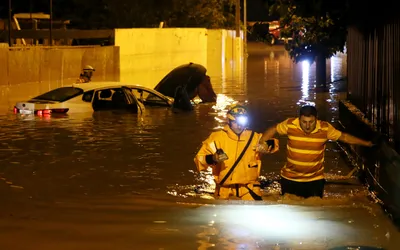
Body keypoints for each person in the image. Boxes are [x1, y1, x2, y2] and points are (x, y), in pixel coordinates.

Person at [258, 105, 373, 199]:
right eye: (304, 122)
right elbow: (274, 128)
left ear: (316, 119)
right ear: (299, 119)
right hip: (290, 180)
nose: (307, 126)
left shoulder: (325, 128)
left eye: (311, 122)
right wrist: (262, 142)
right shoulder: (290, 124)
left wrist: (366, 143)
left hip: (314, 181)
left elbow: (344, 137)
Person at [194, 104, 279, 200]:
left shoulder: (254, 137)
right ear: (229, 121)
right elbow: (199, 160)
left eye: (242, 122)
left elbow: (274, 144)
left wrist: (266, 145)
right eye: (235, 122)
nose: (239, 125)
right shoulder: (217, 138)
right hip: (224, 190)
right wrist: (212, 158)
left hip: (249, 190)